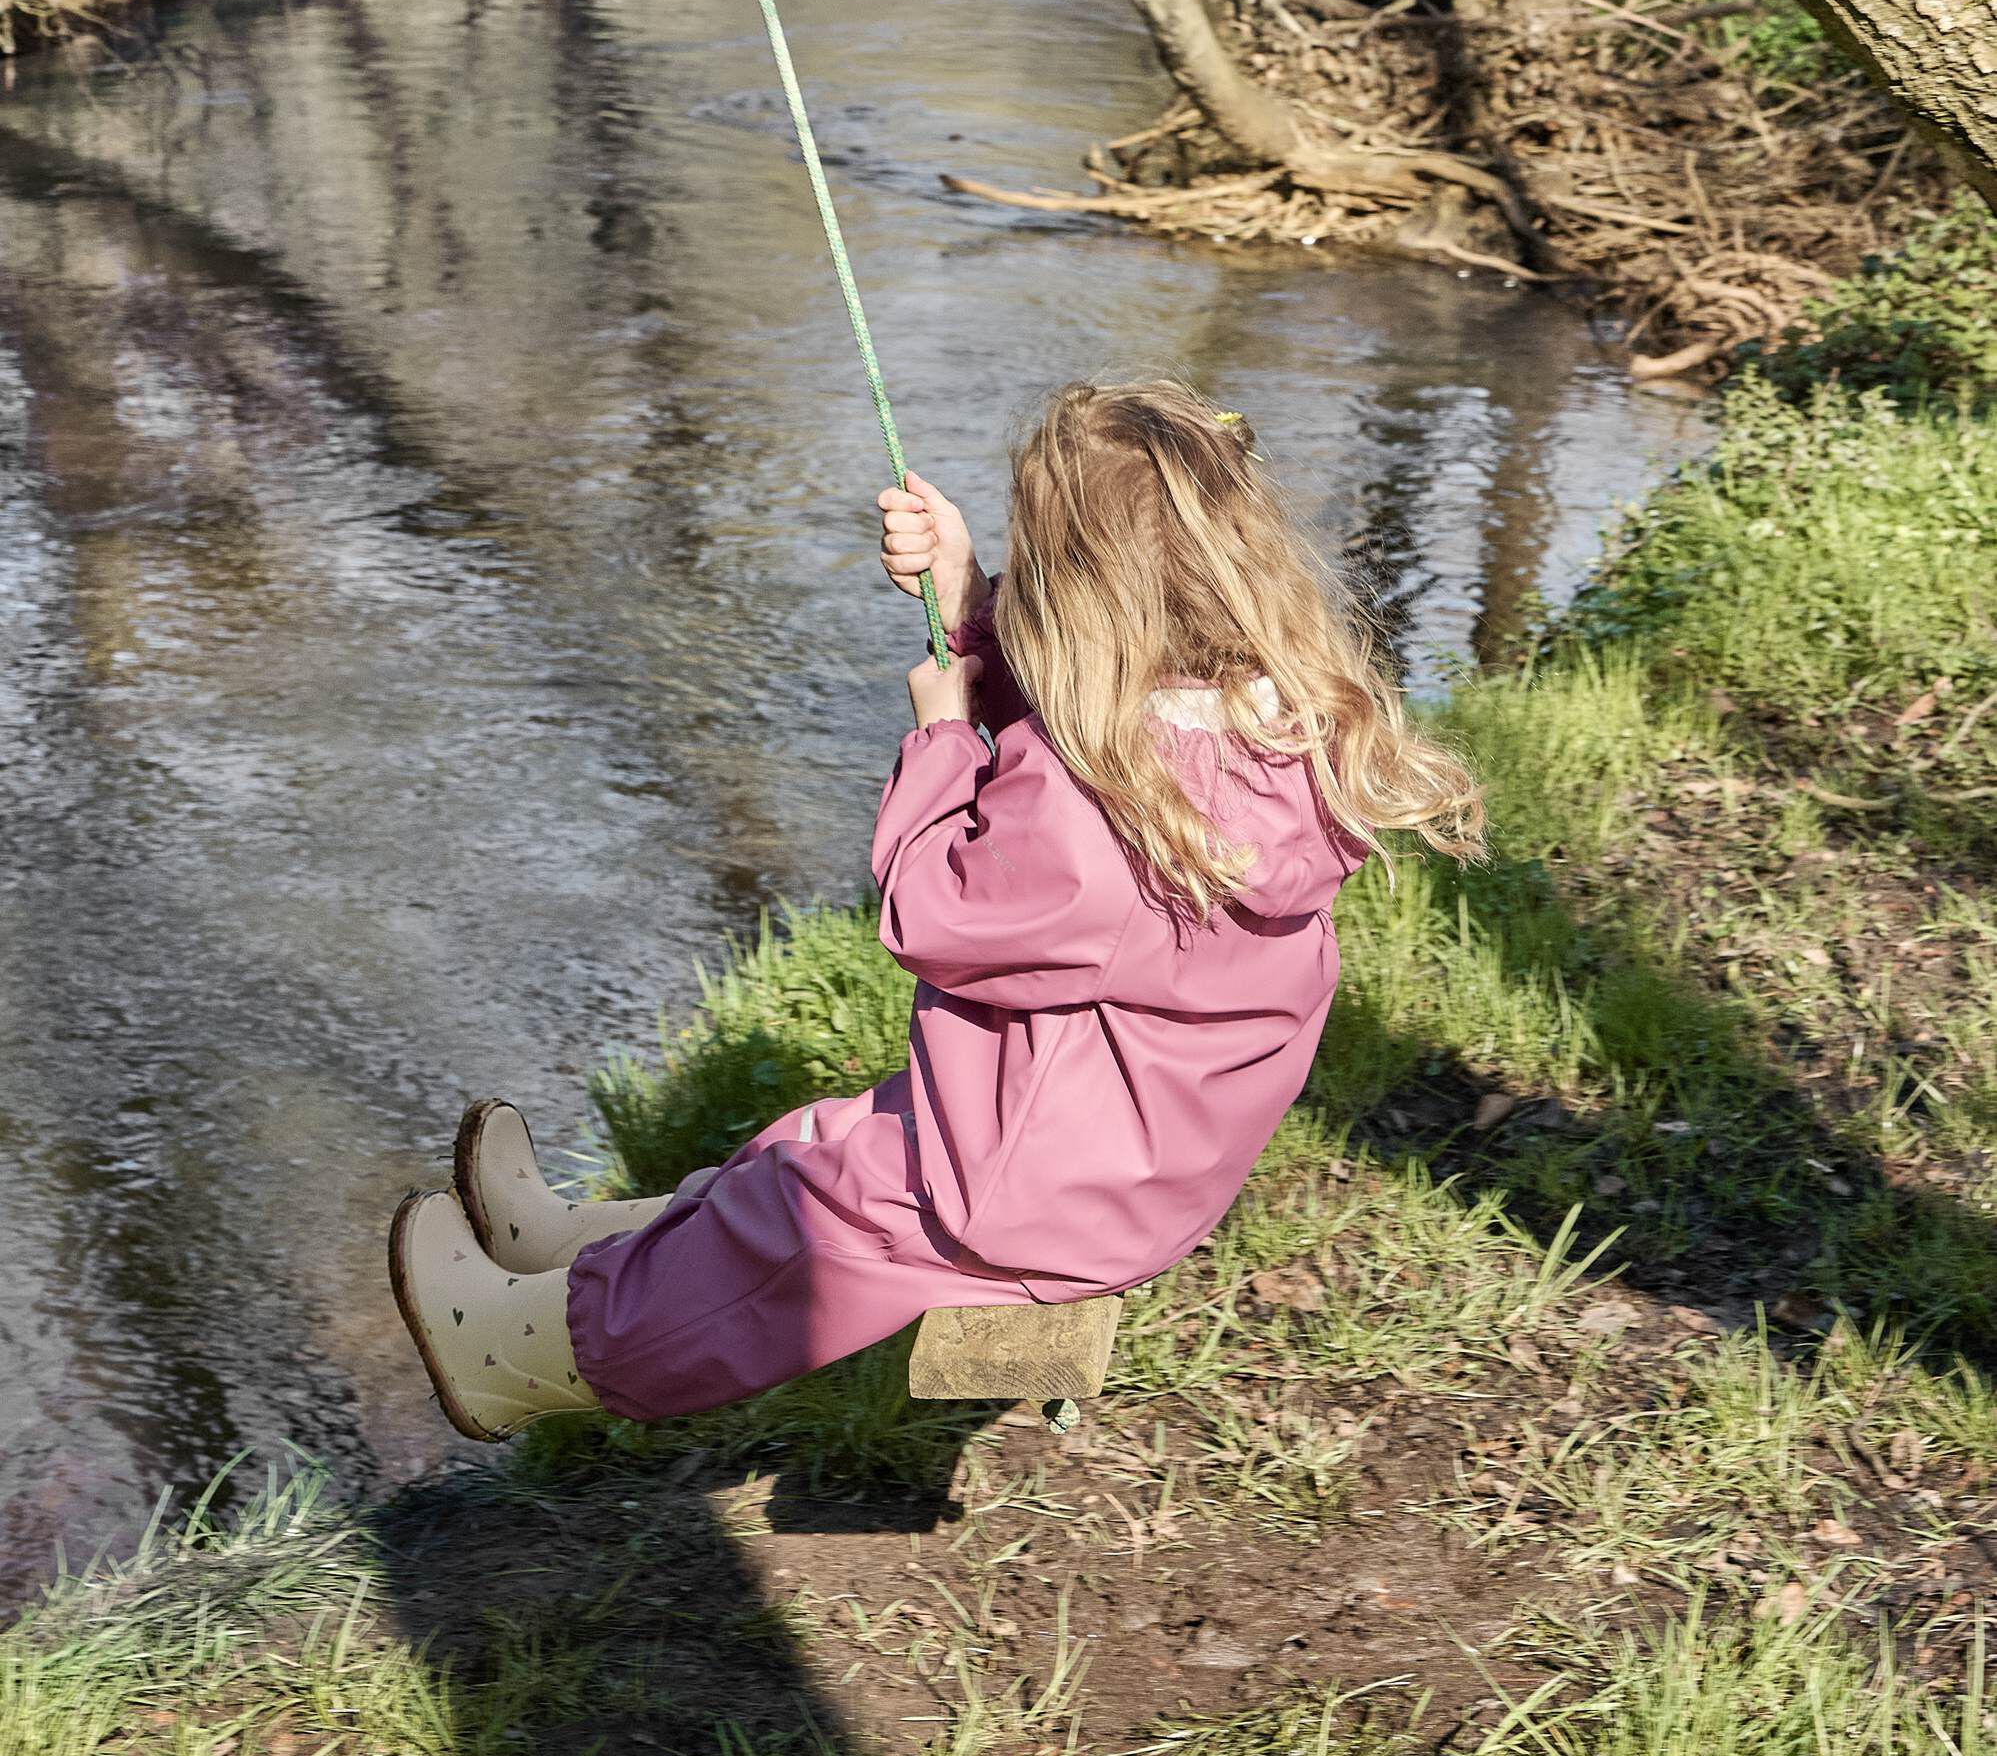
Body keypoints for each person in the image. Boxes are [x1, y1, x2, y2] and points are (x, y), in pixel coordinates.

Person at [388, 380, 1484, 1440]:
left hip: (1037, 1190)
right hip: (1128, 1158)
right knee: (810, 1142)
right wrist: (967, 606)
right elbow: (1096, 719)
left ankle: (519, 1353)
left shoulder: (1096, 814)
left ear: (1077, 592)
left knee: (793, 1231)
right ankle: (561, 1245)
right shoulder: (1277, 729)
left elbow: (931, 912)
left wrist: (942, 735)